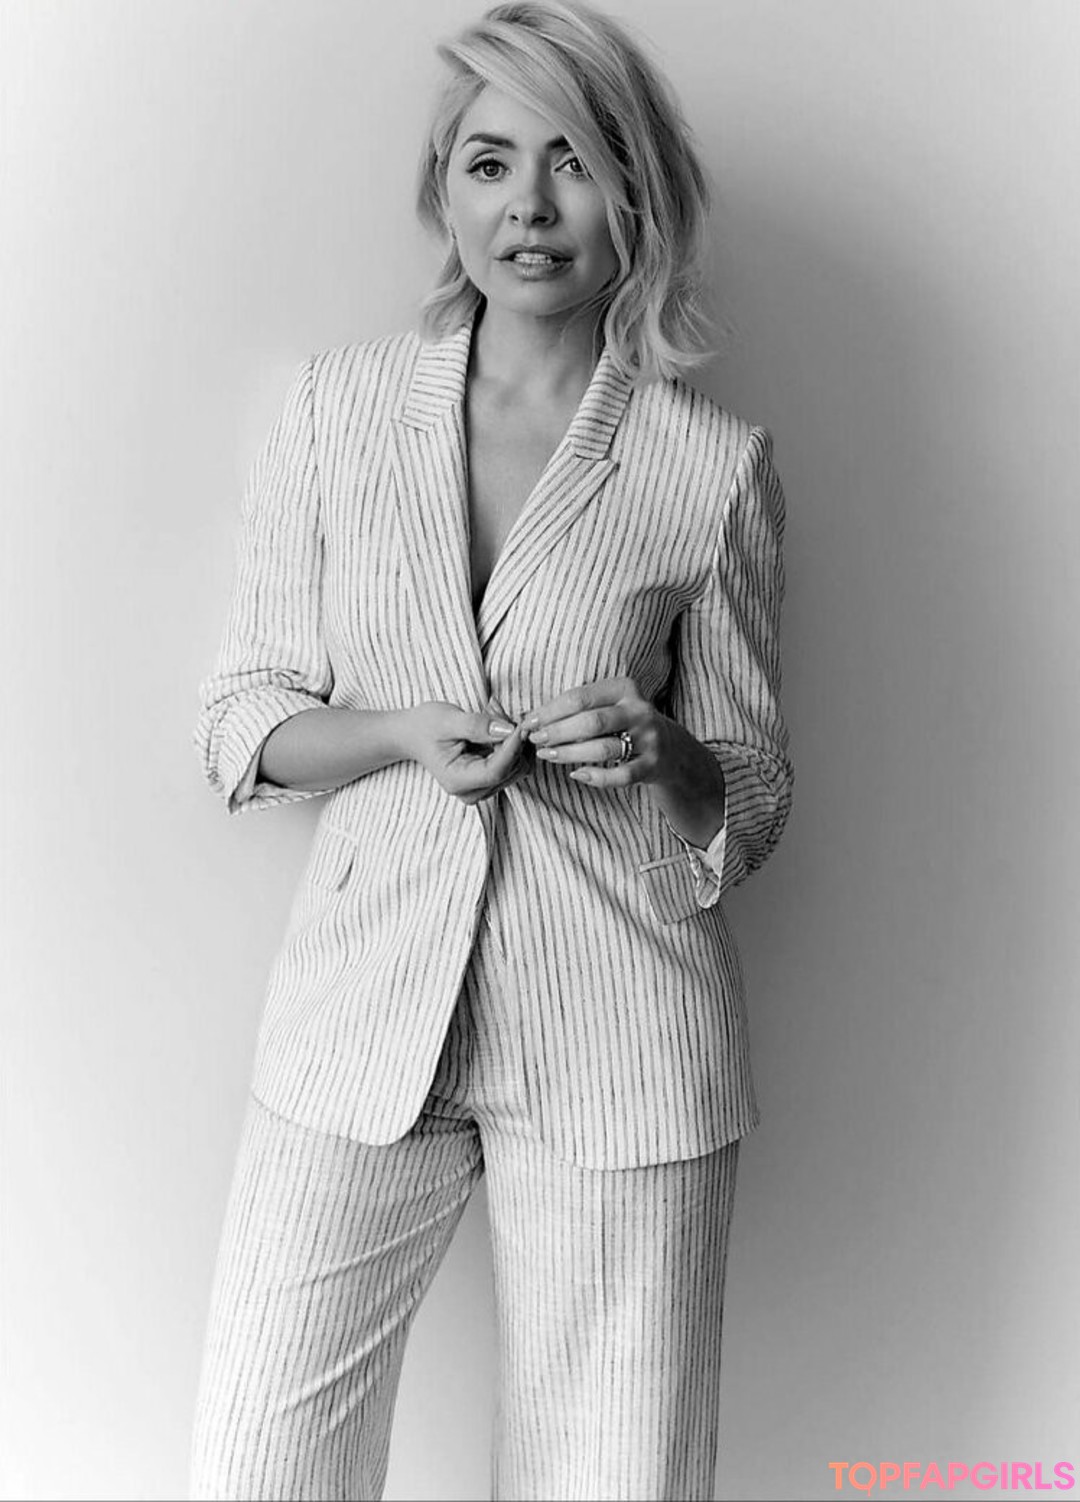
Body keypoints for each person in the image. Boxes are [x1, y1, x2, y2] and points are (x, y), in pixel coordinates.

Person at [189, 1, 793, 1497]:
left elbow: (757, 788)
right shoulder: (334, 413)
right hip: (359, 1014)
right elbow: (241, 719)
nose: (529, 204)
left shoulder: (709, 466)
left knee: (612, 1472)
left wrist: (667, 754)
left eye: (573, 160)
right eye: (489, 161)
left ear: (635, 196)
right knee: (262, 1455)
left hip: (622, 1027)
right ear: (442, 191)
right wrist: (398, 731)